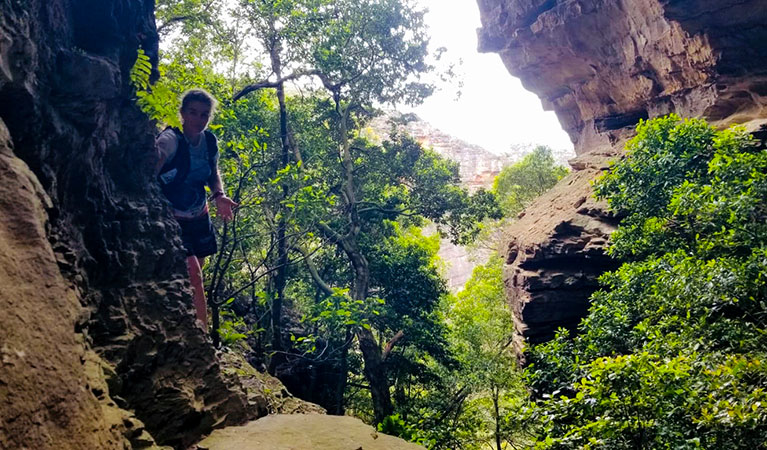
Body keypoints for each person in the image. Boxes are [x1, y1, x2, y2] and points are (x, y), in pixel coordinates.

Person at [155, 88, 238, 330]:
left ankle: (180, 315)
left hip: (199, 215)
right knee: (194, 275)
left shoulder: (209, 141)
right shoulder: (171, 140)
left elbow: (212, 173)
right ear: (182, 113)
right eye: (192, 112)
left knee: (194, 274)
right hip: (173, 219)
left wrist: (219, 195)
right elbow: (153, 163)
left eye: (204, 114)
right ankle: (200, 334)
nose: (198, 119)